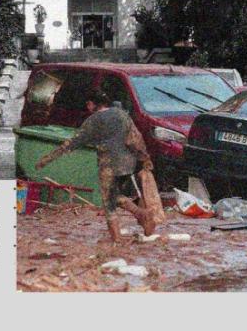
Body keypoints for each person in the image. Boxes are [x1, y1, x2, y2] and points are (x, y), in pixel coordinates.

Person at [35, 90, 156, 239]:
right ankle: (141, 215)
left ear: (93, 103)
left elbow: (73, 143)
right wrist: (145, 158)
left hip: (109, 165)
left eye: (88, 103)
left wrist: (47, 159)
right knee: (113, 196)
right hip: (128, 163)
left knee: (108, 202)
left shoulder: (93, 120)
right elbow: (135, 139)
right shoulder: (122, 115)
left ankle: (117, 239)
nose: (88, 106)